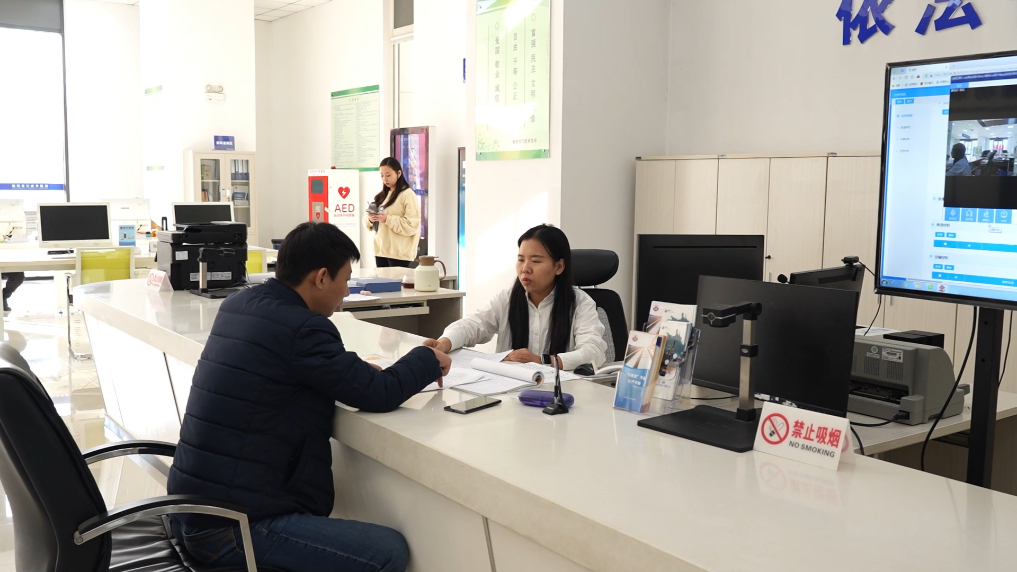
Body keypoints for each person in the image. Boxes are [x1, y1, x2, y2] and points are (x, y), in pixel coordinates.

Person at [167, 222, 451, 572]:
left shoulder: (240, 303)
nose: (346, 291)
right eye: (345, 280)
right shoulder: (304, 328)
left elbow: (287, 368)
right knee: (388, 551)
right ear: (321, 278)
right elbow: (379, 393)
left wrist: (349, 370)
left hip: (191, 512)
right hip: (232, 529)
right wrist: (427, 359)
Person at [423, 224, 607, 371]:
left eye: (536, 261)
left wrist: (544, 361)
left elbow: (594, 352)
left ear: (559, 267)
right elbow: (472, 325)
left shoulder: (580, 303)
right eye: (521, 260)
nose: (525, 268)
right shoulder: (507, 299)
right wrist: (444, 343)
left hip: (563, 393)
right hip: (511, 390)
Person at [364, 157, 420, 268]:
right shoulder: (382, 195)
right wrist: (370, 219)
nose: (385, 179)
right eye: (382, 175)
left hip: (399, 253)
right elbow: (366, 220)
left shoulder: (407, 194)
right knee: (382, 279)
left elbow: (412, 225)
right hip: (381, 251)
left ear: (399, 173)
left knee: (396, 280)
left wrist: (387, 219)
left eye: (388, 175)